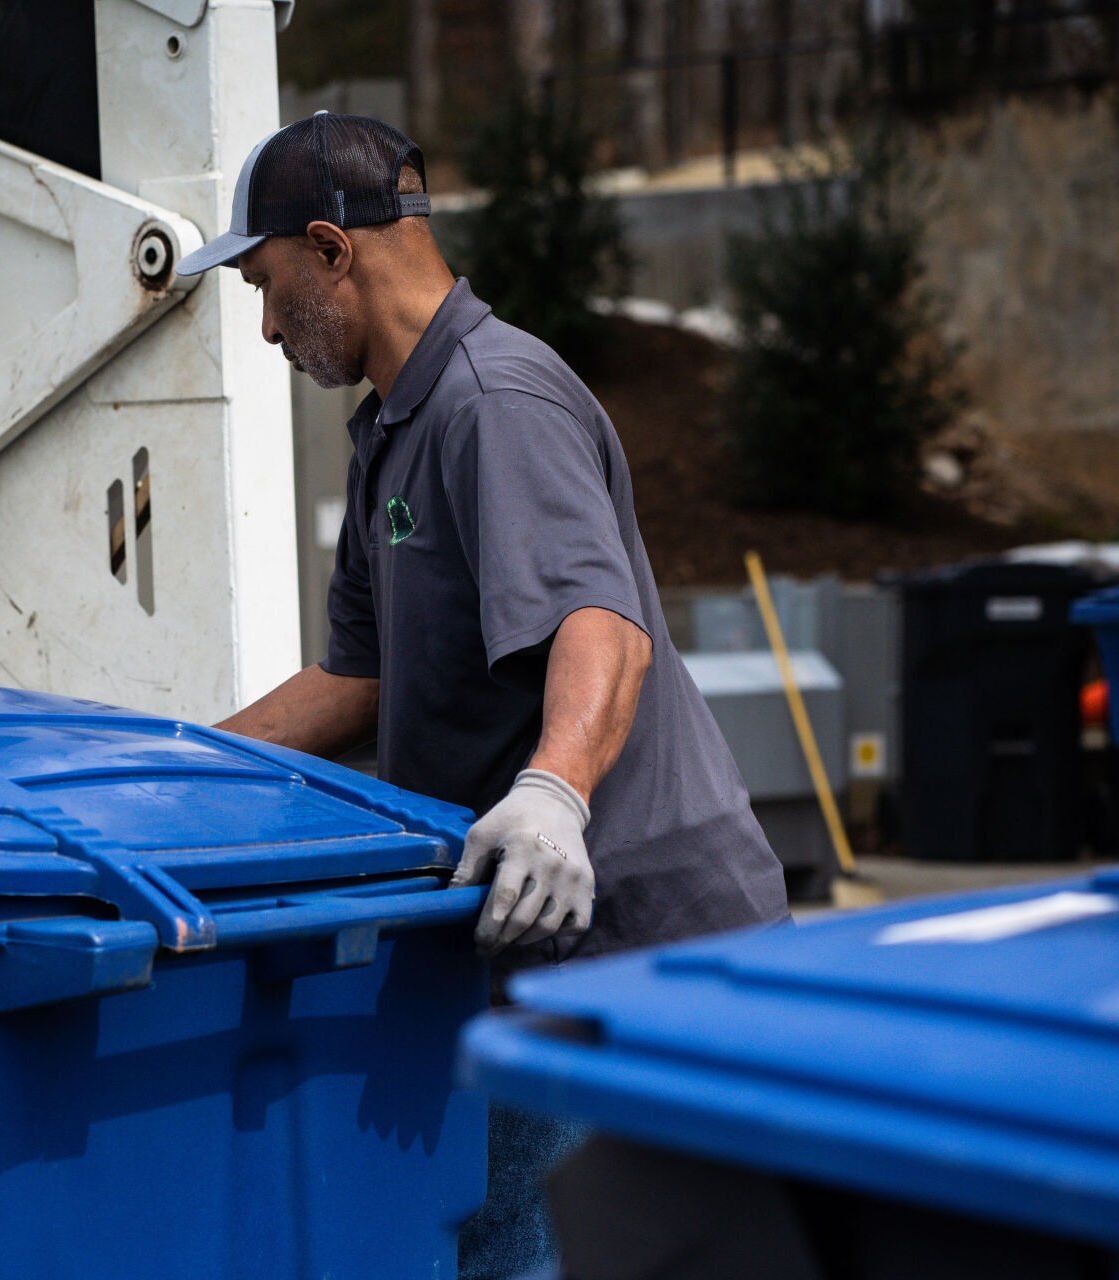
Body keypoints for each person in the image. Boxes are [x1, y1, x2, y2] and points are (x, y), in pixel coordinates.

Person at [177, 113, 790, 1278]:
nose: (262, 326)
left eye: (266, 283)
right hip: (542, 954)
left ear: (332, 247)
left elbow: (598, 625)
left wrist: (555, 787)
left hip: (642, 957)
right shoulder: (392, 434)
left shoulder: (492, 399)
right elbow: (353, 681)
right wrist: (177, 765)